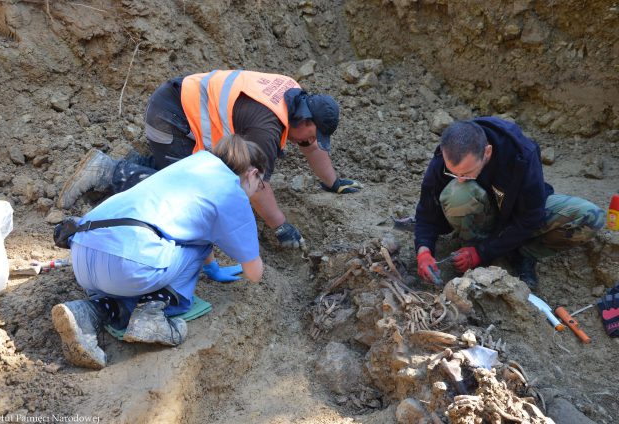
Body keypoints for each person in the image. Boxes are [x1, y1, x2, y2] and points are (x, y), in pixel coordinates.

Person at [57, 70, 362, 249]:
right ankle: (109, 172)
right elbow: (254, 185)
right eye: (311, 136)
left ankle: (140, 164)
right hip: (171, 120)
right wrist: (280, 226)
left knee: (196, 174)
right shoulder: (266, 128)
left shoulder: (295, 95)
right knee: (185, 194)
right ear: (306, 120)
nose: (309, 144)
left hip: (176, 105)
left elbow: (311, 146)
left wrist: (333, 182)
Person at [51, 134, 267, 369]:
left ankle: (89, 311)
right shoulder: (231, 191)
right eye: (260, 185)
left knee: (186, 239)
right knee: (197, 244)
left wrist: (211, 266)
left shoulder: (194, 163)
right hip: (127, 264)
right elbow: (254, 273)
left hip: (83, 253)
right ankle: (150, 315)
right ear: (253, 174)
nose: (257, 191)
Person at [414, 117, 605, 289]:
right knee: (457, 193)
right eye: (453, 173)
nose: (460, 178)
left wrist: (483, 252)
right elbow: (426, 212)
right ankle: (473, 247)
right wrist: (423, 251)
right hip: (482, 217)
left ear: (487, 152)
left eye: (466, 172)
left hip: (516, 216)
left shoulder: (521, 154)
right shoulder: (449, 154)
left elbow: (531, 217)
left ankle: (523, 254)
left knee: (591, 216)